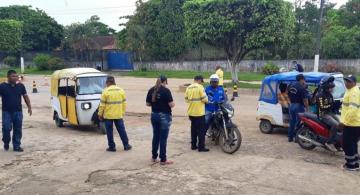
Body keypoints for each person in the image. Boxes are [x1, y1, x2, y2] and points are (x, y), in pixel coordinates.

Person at [0, 70, 32, 152]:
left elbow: (25, 96)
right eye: (13, 76)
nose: (16, 78)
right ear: (8, 77)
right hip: (6, 112)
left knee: (18, 129)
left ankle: (16, 146)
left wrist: (29, 107)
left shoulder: (21, 86)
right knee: (6, 128)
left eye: (16, 76)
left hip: (18, 112)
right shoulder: (2, 86)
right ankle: (6, 142)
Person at [146, 75, 175, 165]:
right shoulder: (166, 91)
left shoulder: (151, 90)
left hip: (154, 115)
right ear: (165, 81)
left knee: (156, 136)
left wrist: (156, 104)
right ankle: (163, 159)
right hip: (164, 116)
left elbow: (148, 104)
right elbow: (171, 104)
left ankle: (154, 157)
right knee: (163, 138)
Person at [98, 76, 132, 152]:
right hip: (118, 115)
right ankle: (126, 145)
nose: (106, 84)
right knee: (122, 130)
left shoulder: (105, 91)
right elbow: (124, 103)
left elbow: (102, 105)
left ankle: (112, 147)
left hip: (108, 116)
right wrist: (122, 112)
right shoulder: (121, 90)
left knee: (109, 132)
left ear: (109, 82)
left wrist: (100, 114)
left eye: (106, 82)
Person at [339, 75, 360, 171]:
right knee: (352, 144)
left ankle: (351, 165)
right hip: (353, 123)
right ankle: (355, 162)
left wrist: (344, 122)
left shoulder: (354, 92)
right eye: (346, 81)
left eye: (349, 81)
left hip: (351, 123)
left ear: (354, 83)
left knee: (347, 144)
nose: (347, 83)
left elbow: (352, 110)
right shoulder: (351, 90)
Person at [185, 75, 209, 152]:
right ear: (199, 80)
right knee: (201, 131)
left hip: (191, 112)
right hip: (199, 112)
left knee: (193, 130)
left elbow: (186, 99)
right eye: (201, 81)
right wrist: (206, 101)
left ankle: (193, 145)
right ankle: (201, 147)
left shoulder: (188, 88)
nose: (201, 83)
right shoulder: (200, 87)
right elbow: (205, 99)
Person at [315, 76, 339, 152]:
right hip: (323, 114)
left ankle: (336, 141)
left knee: (340, 122)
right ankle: (329, 142)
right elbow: (322, 107)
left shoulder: (330, 95)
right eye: (331, 88)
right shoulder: (320, 95)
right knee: (335, 124)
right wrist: (332, 105)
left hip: (329, 113)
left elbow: (332, 104)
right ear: (326, 87)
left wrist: (337, 106)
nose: (332, 89)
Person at [287, 74, 309, 142]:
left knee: (292, 122)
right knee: (299, 122)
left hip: (291, 105)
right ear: (302, 79)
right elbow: (305, 100)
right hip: (299, 106)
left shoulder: (290, 86)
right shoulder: (302, 88)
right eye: (304, 80)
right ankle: (297, 139)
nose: (304, 81)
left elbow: (288, 94)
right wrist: (307, 108)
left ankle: (290, 138)